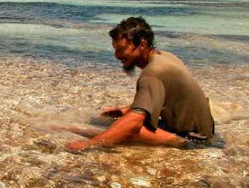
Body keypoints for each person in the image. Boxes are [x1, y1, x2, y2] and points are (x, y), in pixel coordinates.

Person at [65, 16, 215, 151]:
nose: (117, 55)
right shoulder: (165, 57)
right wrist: (128, 109)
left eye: (121, 49)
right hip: (204, 132)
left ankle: (63, 129)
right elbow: (168, 97)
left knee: (122, 128)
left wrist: (90, 144)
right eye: (115, 49)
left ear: (142, 44)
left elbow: (134, 123)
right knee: (121, 119)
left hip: (192, 141)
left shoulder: (152, 73)